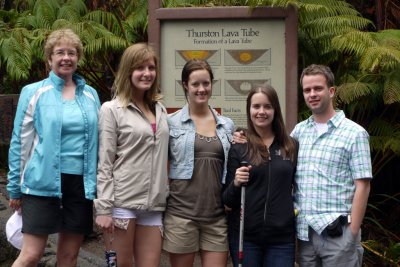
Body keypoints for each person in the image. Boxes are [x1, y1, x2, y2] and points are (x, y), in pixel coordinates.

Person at [7, 28, 100, 267]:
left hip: (80, 185)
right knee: (30, 256)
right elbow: (20, 141)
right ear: (49, 58)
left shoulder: (90, 95)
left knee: (69, 257)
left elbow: (100, 141)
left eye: (72, 52)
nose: (66, 57)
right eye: (60, 52)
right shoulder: (34, 92)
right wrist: (15, 187)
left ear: (78, 58)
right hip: (41, 183)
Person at [94, 43, 169, 267]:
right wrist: (104, 208)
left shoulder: (160, 109)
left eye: (151, 68)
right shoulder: (111, 109)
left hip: (153, 204)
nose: (146, 73)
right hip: (121, 203)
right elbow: (105, 162)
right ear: (128, 71)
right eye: (139, 68)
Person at [292, 64, 372, 266]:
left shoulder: (354, 133)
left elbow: (363, 185)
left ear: (331, 91)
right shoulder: (299, 132)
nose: (312, 94)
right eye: (307, 90)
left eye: (318, 88)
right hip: (305, 235)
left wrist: (352, 233)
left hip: (339, 235)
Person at [163, 59, 234, 267]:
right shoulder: (171, 122)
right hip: (181, 215)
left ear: (212, 84)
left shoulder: (227, 125)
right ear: (185, 85)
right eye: (195, 84)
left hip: (216, 217)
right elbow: (159, 165)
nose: (201, 89)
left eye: (206, 83)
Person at [223, 85, 297, 267]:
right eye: (256, 106)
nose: (261, 111)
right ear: (249, 110)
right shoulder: (239, 146)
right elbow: (226, 200)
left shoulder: (291, 146)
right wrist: (236, 183)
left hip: (282, 240)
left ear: (275, 110)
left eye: (267, 106)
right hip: (245, 238)